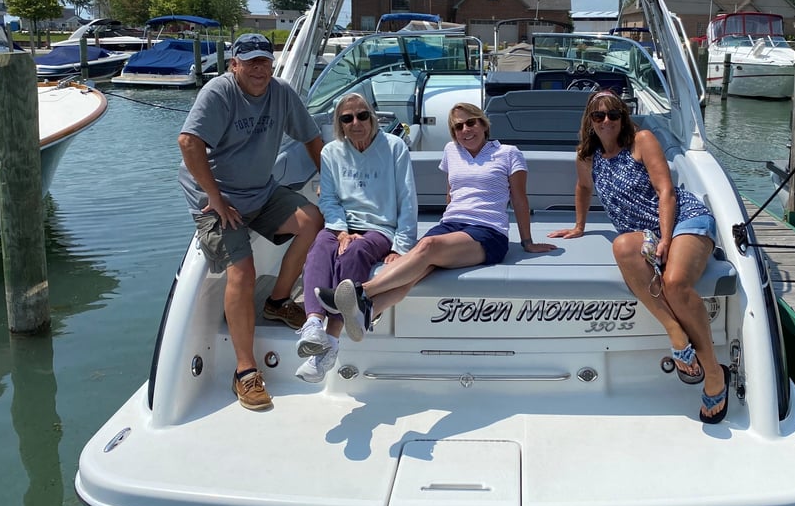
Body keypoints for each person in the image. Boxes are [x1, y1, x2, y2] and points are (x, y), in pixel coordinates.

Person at [547, 90, 729, 424]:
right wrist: (578, 226)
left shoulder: (642, 140)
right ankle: (675, 331)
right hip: (642, 232)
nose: (606, 121)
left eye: (613, 114)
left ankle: (714, 372)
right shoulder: (587, 156)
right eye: (599, 116)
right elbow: (584, 188)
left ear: (623, 117)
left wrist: (667, 239)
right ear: (589, 120)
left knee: (674, 283)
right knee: (621, 247)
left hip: (683, 219)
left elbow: (666, 192)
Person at [320, 102, 556, 339]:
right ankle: (368, 314)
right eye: (458, 127)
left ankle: (360, 292)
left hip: (488, 231)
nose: (466, 130)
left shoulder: (508, 153)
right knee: (418, 271)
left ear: (483, 124)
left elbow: (519, 199)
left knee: (427, 247)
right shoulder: (451, 151)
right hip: (451, 224)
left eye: (471, 122)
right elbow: (451, 193)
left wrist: (527, 241)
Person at [178, 32, 324, 411]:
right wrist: (216, 198)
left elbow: (311, 137)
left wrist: (335, 186)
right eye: (250, 61)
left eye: (265, 61)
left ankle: (278, 301)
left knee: (312, 219)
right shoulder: (218, 92)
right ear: (234, 65)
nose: (259, 68)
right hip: (216, 199)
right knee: (242, 270)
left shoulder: (281, 92)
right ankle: (245, 371)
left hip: (261, 190)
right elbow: (188, 142)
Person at [295, 93, 417, 383]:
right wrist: (340, 231)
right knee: (319, 249)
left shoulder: (395, 147)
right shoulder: (330, 153)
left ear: (372, 118)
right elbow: (330, 200)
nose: (356, 123)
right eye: (347, 118)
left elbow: (407, 200)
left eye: (362, 115)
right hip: (343, 226)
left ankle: (328, 346)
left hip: (380, 229)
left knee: (354, 254)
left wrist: (401, 247)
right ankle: (313, 323)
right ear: (340, 124)